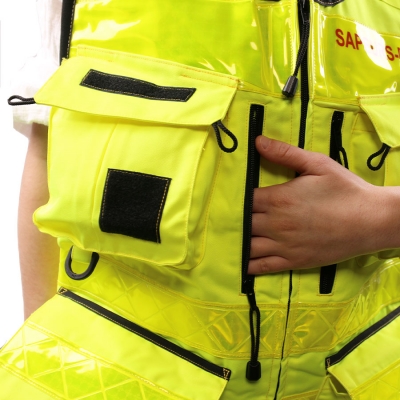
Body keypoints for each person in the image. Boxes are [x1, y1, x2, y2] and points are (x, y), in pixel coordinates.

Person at [1, 0, 400, 399]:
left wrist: (380, 219)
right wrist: (49, 358)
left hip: (364, 375)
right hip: (121, 380)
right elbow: (49, 150)